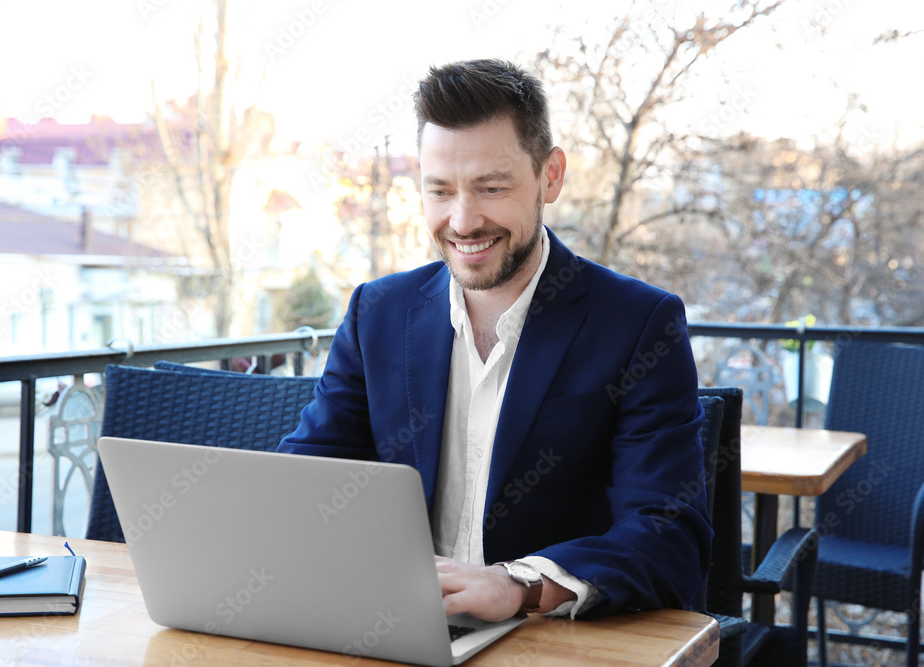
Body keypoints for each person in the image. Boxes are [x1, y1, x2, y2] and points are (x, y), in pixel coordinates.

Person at [278, 59, 711, 622]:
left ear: (550, 177)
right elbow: (308, 478)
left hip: (552, 638)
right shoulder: (376, 313)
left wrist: (517, 585)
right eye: (440, 190)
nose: (462, 221)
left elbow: (669, 533)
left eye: (491, 187)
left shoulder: (639, 323)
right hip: (393, 627)